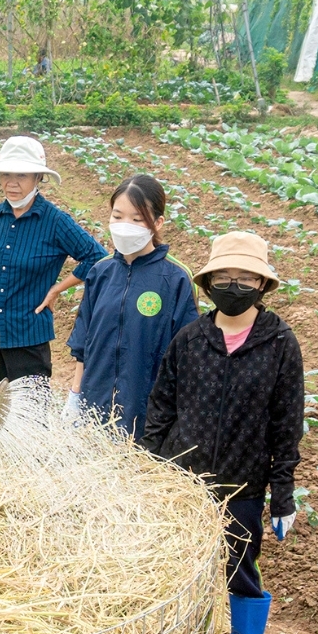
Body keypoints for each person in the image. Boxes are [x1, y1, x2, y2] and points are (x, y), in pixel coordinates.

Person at [140, 230, 304, 634]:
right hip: (181, 475)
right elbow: (162, 405)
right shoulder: (191, 338)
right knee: (173, 563)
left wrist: (283, 493)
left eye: (245, 277)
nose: (234, 286)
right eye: (225, 277)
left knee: (240, 565)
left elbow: (286, 423)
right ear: (209, 282)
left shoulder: (280, 344)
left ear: (263, 285)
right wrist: (150, 464)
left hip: (242, 483)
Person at [0, 136, 105, 389]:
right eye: (5, 174)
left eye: (21, 175)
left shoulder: (55, 221)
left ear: (37, 178)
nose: (11, 183)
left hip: (28, 338)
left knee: (29, 418)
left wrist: (57, 289)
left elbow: (97, 257)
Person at [65, 175, 197, 438]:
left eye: (137, 219)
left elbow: (188, 355)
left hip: (148, 415)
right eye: (118, 216)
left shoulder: (176, 278)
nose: (126, 226)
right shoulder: (100, 272)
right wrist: (75, 397)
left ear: (157, 223)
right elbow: (83, 345)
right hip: (96, 408)